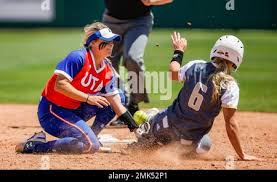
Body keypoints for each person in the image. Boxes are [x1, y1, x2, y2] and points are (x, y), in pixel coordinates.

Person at [15, 22, 140, 154]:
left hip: (74, 110)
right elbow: (60, 84)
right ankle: (34, 146)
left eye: (112, 41)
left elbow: (116, 103)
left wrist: (136, 129)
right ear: (92, 42)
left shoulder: (108, 70)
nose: (111, 44)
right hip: (52, 112)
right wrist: (87, 98)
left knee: (118, 97)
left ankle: (92, 137)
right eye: (106, 41)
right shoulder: (78, 58)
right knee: (90, 145)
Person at [133, 32, 260, 160]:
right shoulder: (230, 86)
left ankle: (150, 130)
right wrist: (242, 155)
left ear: (215, 50)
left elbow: (173, 73)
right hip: (190, 139)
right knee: (205, 145)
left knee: (156, 118)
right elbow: (231, 124)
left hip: (166, 124)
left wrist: (179, 50)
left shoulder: (196, 66)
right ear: (237, 59)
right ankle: (171, 145)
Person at [102, 0, 174, 119]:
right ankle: (121, 100)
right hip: (111, 21)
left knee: (133, 57)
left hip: (139, 21)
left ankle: (133, 103)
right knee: (107, 62)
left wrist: (152, 1)